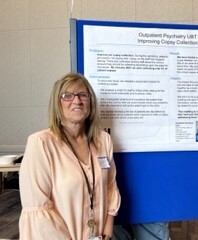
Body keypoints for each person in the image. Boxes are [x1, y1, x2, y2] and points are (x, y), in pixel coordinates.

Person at [19, 73, 121, 239]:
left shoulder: (103, 141)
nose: (77, 101)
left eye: (83, 95)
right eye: (67, 96)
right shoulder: (41, 143)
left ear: (90, 102)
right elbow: (38, 212)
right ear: (57, 104)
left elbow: (110, 189)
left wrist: (107, 234)